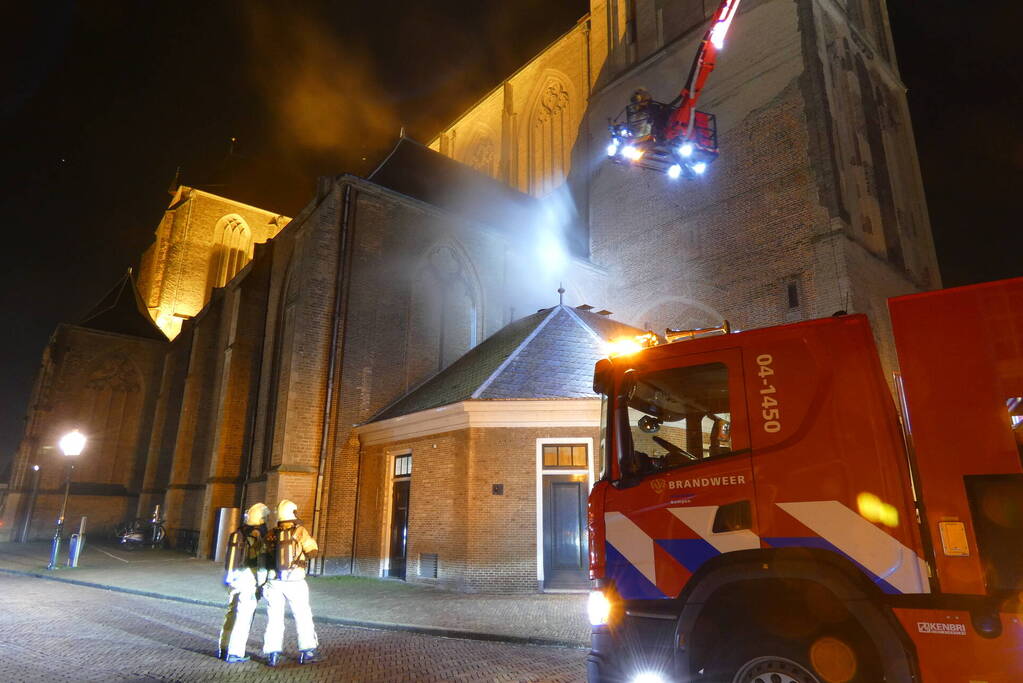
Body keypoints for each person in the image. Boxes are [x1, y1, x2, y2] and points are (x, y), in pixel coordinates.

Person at [262, 499, 320, 666]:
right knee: (302, 615)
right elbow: (312, 551)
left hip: (274, 581)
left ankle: (272, 654)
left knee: (274, 618)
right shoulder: (299, 531)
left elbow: (263, 556)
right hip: (294, 580)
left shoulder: (272, 533)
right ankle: (307, 651)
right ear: (293, 513)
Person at [218, 502, 272, 663]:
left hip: (234, 577)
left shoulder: (239, 532)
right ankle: (235, 652)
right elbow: (261, 560)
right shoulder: (257, 535)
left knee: (232, 613)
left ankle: (224, 647)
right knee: (244, 616)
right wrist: (262, 582)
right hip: (249, 578)